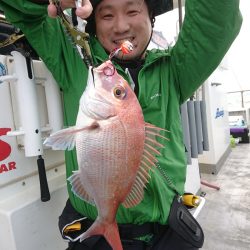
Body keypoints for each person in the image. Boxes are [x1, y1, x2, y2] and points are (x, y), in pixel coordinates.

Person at [0, 0, 242, 249]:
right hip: (93, 234)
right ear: (93, 26)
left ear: (151, 18)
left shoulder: (174, 70)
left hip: (166, 232)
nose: (121, 25)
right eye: (106, 15)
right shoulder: (75, 63)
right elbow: (23, 12)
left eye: (133, 10)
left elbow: (216, 23)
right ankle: (107, 222)